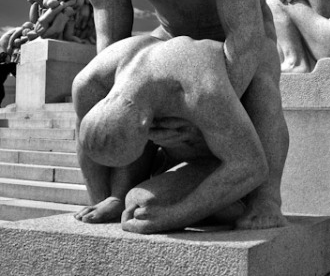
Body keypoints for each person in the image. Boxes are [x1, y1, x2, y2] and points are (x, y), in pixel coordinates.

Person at [81, 0, 288, 230]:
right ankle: (115, 193)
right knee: (117, 90)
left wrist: (201, 120)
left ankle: (267, 197)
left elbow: (245, 34)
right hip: (171, 37)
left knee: (262, 82)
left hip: (242, 37)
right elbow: (111, 44)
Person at [73, 34, 269, 234]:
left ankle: (240, 202)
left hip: (233, 146)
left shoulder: (201, 89)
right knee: (135, 202)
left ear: (145, 125)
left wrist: (174, 215)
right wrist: (111, 198)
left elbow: (251, 165)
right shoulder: (90, 83)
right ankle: (122, 195)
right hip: (189, 136)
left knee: (142, 202)